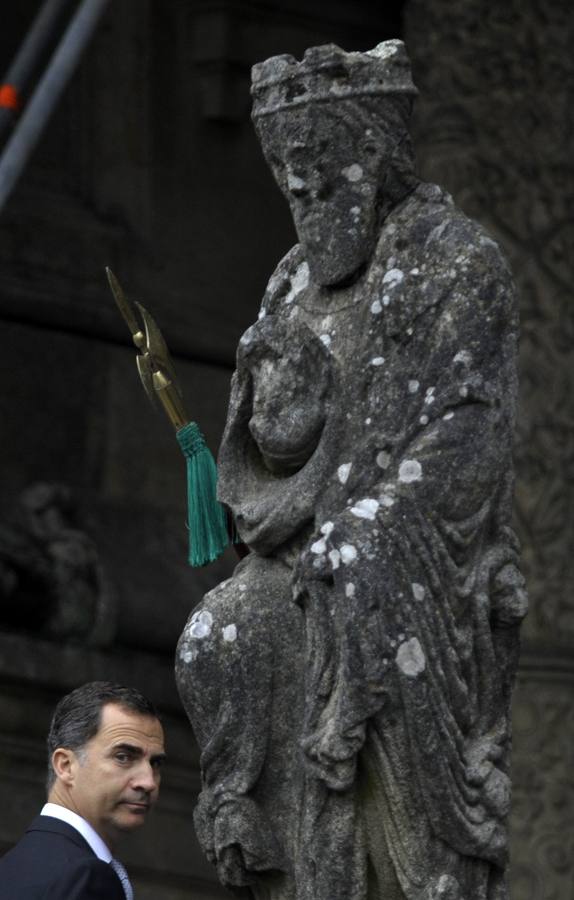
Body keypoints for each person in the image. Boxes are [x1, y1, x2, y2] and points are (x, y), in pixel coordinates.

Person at [176, 40, 527, 900]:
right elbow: (264, 458)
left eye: (314, 163)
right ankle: (260, 842)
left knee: (351, 567)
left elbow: (468, 440)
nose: (296, 188)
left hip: (408, 565)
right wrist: (274, 420)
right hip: (299, 548)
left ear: (371, 152)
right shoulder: (291, 282)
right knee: (216, 631)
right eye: (282, 168)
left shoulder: (459, 265)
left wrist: (367, 528)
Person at [0, 681, 165, 899]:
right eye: (123, 757)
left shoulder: (10, 868)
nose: (148, 782)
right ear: (65, 765)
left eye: (155, 763)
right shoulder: (87, 877)